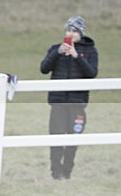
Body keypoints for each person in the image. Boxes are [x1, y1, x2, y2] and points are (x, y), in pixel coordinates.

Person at [39, 16, 98, 180]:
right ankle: (55, 173)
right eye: (68, 30)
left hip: (77, 104)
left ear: (81, 33)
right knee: (56, 138)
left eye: (74, 31)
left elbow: (92, 73)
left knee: (73, 140)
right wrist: (57, 53)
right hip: (57, 103)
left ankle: (67, 172)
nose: (70, 34)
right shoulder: (55, 48)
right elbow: (44, 68)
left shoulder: (91, 51)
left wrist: (76, 56)